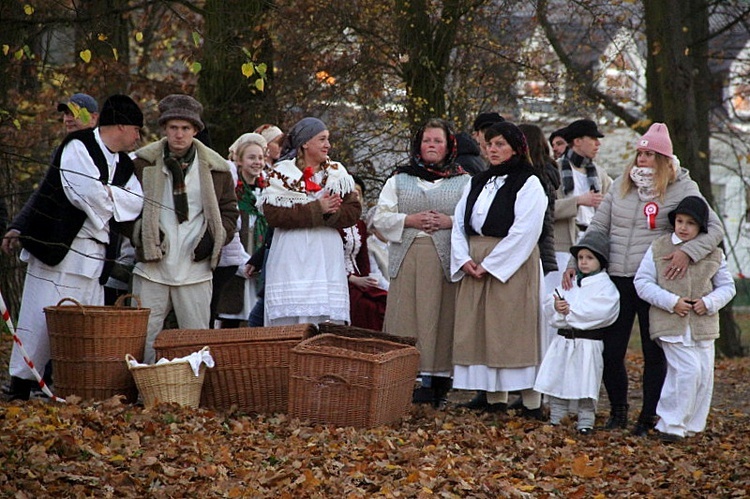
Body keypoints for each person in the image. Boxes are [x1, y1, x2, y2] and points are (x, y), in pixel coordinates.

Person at [564, 123, 725, 436]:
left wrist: (688, 252)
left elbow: (715, 229)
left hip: (657, 283)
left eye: (649, 154)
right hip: (618, 278)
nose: (641, 159)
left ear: (663, 158)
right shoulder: (622, 185)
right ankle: (619, 410)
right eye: (639, 153)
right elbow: (599, 226)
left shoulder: (682, 186)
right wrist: (575, 261)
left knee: (655, 355)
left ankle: (649, 416)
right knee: (611, 351)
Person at [2, 94, 144, 400]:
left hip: (95, 254)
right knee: (39, 318)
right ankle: (21, 384)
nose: (138, 137)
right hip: (59, 247)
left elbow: (135, 202)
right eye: (136, 130)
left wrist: (107, 195)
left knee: (82, 321)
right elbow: (84, 192)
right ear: (121, 125)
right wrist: (110, 198)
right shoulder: (78, 146)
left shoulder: (126, 165)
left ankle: (66, 382)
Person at [129, 94, 238, 363]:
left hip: (195, 265)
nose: (179, 134)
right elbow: (124, 209)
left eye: (185, 128)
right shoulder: (142, 162)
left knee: (196, 339)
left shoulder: (218, 169)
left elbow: (230, 212)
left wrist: (214, 238)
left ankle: (194, 396)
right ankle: (140, 393)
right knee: (142, 336)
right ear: (164, 129)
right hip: (153, 264)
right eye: (173, 127)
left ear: (196, 130)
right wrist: (142, 233)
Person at [450, 121, 547, 419]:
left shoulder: (529, 181)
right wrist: (463, 258)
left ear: (516, 148)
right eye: (490, 144)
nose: (493, 149)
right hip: (475, 258)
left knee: (513, 332)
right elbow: (458, 222)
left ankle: (531, 403)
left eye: (500, 144)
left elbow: (525, 231)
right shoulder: (477, 181)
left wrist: (492, 265)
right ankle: (495, 398)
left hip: (511, 264)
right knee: (482, 331)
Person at [372, 118, 470, 408]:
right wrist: (410, 220)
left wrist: (448, 221)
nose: (431, 145)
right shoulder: (399, 178)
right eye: (427, 140)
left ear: (448, 145)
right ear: (419, 144)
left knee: (440, 319)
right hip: (407, 259)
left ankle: (438, 383)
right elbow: (380, 217)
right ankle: (404, 379)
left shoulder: (464, 180)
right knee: (407, 317)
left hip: (444, 261)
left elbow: (473, 218)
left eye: (437, 141)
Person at [634, 196, 735, 442]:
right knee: (686, 371)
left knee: (703, 375)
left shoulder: (713, 253)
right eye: (680, 221)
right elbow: (642, 282)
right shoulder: (659, 247)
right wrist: (670, 301)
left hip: (703, 325)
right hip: (670, 322)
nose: (683, 227)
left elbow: (727, 287)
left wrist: (709, 303)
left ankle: (691, 426)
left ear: (701, 227)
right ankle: (669, 425)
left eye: (690, 223)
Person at [260, 117, 361, 326]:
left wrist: (329, 213)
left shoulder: (337, 173)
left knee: (325, 319)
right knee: (290, 322)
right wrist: (317, 209)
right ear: (305, 143)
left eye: (328, 139)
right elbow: (273, 215)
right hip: (291, 252)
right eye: (322, 139)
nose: (328, 145)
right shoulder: (281, 174)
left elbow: (353, 212)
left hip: (325, 254)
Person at [534, 231, 620, 434]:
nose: (583, 262)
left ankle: (585, 422)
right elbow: (551, 301)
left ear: (600, 260)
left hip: (588, 344)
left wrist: (570, 311)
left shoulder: (605, 287)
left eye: (589, 258)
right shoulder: (570, 282)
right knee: (558, 379)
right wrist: (557, 306)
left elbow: (602, 311)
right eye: (580, 258)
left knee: (585, 383)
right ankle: (557, 418)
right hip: (563, 341)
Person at [212, 133, 268, 328]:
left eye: (260, 158)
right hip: (236, 269)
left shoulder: (267, 193)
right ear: (240, 161)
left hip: (258, 268)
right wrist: (242, 264)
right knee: (231, 320)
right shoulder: (233, 193)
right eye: (251, 157)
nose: (257, 162)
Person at [341, 176, 387, 330]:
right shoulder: (333, 224)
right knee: (366, 306)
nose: (355, 195)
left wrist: (367, 281)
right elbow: (330, 260)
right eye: (352, 191)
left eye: (359, 193)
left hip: (359, 280)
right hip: (341, 280)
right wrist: (352, 279)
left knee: (383, 301)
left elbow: (363, 261)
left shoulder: (360, 225)